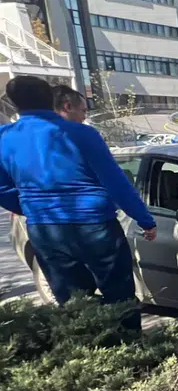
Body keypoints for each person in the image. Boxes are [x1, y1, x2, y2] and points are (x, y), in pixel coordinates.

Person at [0, 76, 156, 331]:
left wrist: (31, 207)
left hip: (45, 229)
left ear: (14, 103)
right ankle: (130, 355)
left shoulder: (4, 137)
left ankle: (87, 352)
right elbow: (115, 181)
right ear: (51, 99)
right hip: (95, 226)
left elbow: (2, 188)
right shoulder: (80, 133)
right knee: (119, 296)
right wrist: (144, 218)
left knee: (73, 303)